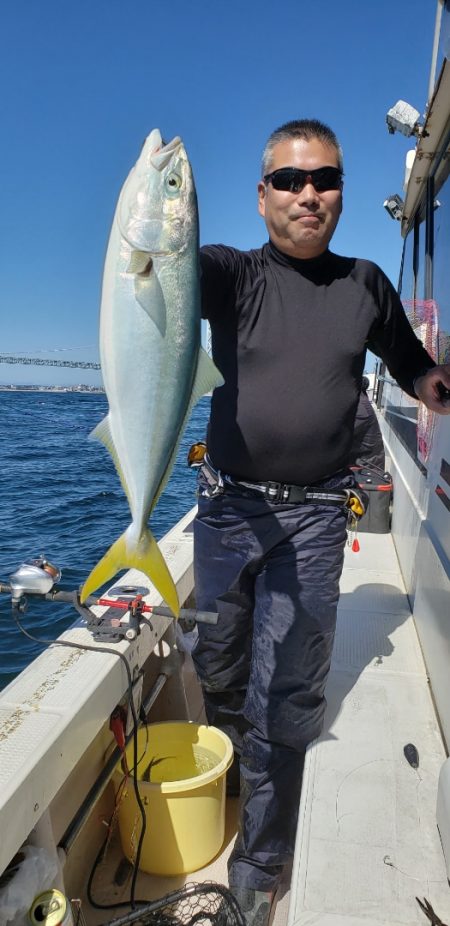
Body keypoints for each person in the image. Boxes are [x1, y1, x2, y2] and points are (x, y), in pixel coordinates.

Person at [191, 119, 450, 926]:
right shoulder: (227, 274)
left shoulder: (366, 282)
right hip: (226, 508)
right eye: (292, 180)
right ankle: (239, 766)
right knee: (219, 661)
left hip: (312, 518)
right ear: (262, 193)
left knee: (289, 688)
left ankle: (260, 859)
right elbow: (163, 274)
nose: (311, 195)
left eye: (326, 179)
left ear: (340, 189)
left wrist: (431, 381)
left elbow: (403, 354)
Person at [350, 376, 386, 472]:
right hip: (362, 462)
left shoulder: (359, 406)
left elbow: (341, 435)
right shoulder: (359, 400)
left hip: (367, 468)